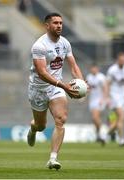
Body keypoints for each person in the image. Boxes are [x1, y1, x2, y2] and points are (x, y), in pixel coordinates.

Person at [27, 12, 85, 170]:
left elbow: (73, 66)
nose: (59, 25)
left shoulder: (65, 43)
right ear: (47, 26)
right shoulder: (39, 46)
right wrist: (64, 86)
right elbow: (42, 73)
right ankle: (33, 129)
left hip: (55, 89)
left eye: (60, 23)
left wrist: (80, 82)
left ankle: (53, 159)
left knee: (60, 119)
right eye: (55, 23)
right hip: (38, 89)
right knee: (41, 126)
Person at [106, 52, 124, 146]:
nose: (123, 62)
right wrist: (107, 98)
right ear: (118, 60)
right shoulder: (112, 70)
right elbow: (107, 84)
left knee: (120, 120)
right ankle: (122, 140)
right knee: (121, 117)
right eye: (122, 60)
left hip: (123, 98)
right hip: (114, 97)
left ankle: (104, 135)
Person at [86, 64, 107, 145]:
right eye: (92, 68)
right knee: (95, 119)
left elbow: (105, 88)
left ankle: (102, 134)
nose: (93, 70)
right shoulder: (89, 77)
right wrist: (83, 98)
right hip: (92, 100)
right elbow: (88, 89)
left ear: (97, 69)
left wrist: (103, 99)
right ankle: (98, 135)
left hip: (99, 100)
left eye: (94, 68)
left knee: (95, 117)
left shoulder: (101, 77)